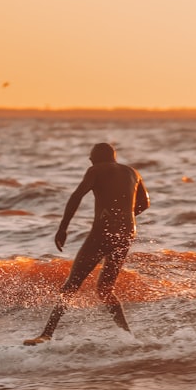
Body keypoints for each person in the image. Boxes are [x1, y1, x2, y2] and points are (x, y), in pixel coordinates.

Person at [24, 143, 150, 345]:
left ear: (97, 158)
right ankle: (128, 337)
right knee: (105, 289)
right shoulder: (132, 172)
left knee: (71, 285)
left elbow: (76, 196)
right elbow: (145, 204)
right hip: (127, 233)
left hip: (103, 231)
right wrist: (124, 215)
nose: (89, 161)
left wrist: (63, 228)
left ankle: (46, 334)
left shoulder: (96, 169)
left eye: (91, 157)